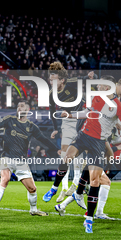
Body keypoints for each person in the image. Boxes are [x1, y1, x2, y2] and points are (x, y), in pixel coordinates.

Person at [56, 76, 121, 233]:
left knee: (96, 178)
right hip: (88, 136)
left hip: (98, 140)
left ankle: (80, 204)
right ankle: (84, 202)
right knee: (98, 177)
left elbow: (118, 121)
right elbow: (89, 112)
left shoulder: (115, 104)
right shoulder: (101, 98)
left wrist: (120, 128)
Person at [0, 101, 61, 218]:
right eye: (18, 106)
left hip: (21, 161)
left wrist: (57, 149)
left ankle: (33, 210)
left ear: (28, 110)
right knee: (5, 180)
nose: (19, 108)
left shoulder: (32, 127)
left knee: (32, 189)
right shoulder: (9, 120)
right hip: (7, 157)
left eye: (22, 106)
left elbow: (44, 139)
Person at [45, 62, 96, 203]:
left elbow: (81, 78)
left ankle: (76, 182)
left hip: (81, 116)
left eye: (53, 79)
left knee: (80, 152)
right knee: (64, 153)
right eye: (50, 80)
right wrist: (55, 128)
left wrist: (89, 76)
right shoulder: (51, 94)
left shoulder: (71, 83)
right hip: (67, 120)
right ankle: (63, 187)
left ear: (62, 80)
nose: (51, 82)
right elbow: (52, 112)